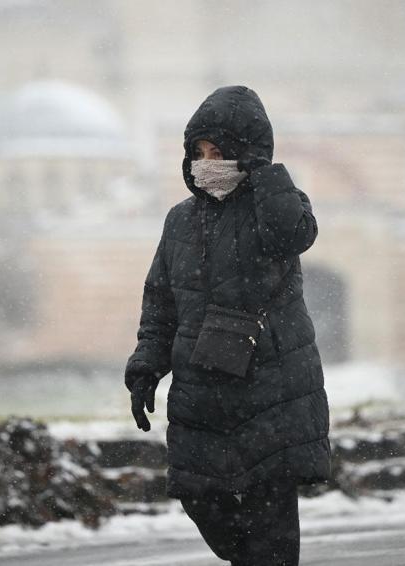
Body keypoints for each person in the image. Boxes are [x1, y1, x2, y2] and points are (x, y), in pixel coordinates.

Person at [125, 85, 330, 566]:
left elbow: (294, 234)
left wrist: (266, 174)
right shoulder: (179, 221)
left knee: (270, 516)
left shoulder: (276, 204)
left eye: (218, 152)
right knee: (203, 500)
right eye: (198, 152)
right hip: (202, 390)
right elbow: (161, 303)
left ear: (246, 153)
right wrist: (144, 368)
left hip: (270, 388)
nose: (206, 162)